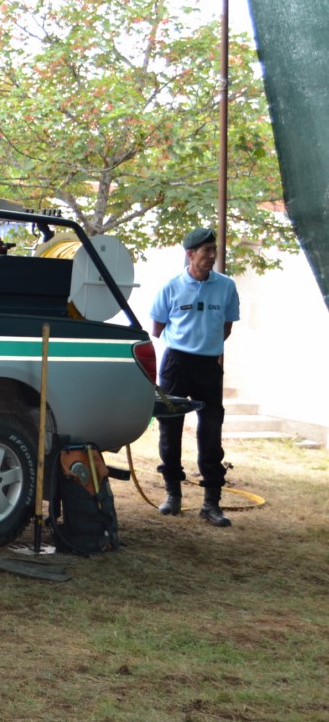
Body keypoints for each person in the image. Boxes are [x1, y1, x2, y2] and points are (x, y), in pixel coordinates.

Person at [150, 226, 241, 527]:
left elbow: (226, 327)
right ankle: (172, 494)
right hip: (176, 362)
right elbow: (157, 328)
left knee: (211, 430)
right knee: (170, 427)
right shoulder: (171, 287)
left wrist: (206, 346)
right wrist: (188, 345)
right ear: (190, 254)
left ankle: (211, 503)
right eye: (206, 251)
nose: (212, 256)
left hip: (208, 365)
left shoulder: (226, 286)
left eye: (214, 250)